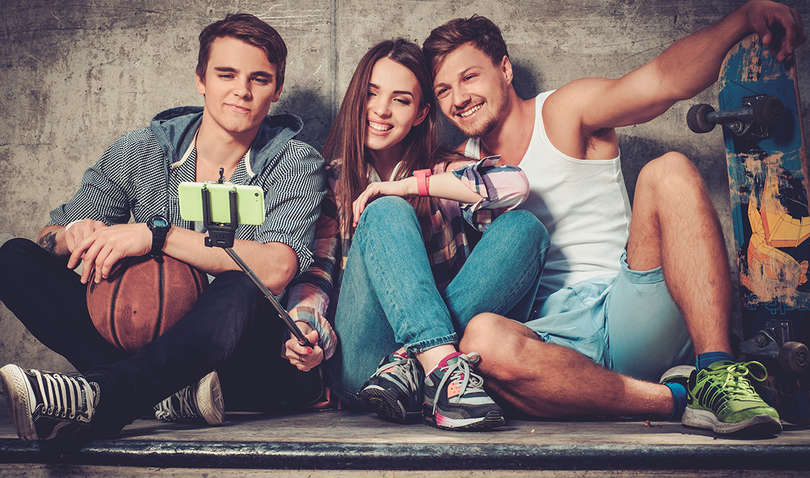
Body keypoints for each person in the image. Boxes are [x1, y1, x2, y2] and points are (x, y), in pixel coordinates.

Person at [422, 0, 805, 436]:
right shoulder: (457, 166)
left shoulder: (563, 112)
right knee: (481, 342)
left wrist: (743, 20)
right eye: (443, 90)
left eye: (469, 77)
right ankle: (677, 398)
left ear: (505, 70)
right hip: (550, 341)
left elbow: (663, 80)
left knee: (669, 170)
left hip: (628, 307)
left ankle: (717, 371)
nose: (459, 98)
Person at [0, 13, 325, 442]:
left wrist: (157, 235)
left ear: (276, 89)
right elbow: (48, 237)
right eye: (226, 74)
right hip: (146, 342)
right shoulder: (142, 149)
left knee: (242, 281)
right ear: (201, 79)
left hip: (248, 364)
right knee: (14, 260)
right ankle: (162, 393)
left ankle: (105, 396)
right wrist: (71, 236)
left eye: (259, 79)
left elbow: (276, 268)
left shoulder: (294, 161)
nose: (242, 90)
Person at [281, 38, 548, 431]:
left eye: (401, 100)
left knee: (526, 228)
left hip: (432, 371)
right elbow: (316, 274)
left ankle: (419, 362)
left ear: (422, 113)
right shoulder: (332, 179)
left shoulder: (442, 174)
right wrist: (306, 329)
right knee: (385, 210)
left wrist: (406, 186)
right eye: (372, 94)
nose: (381, 110)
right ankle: (436, 365)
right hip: (364, 366)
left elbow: (515, 185)